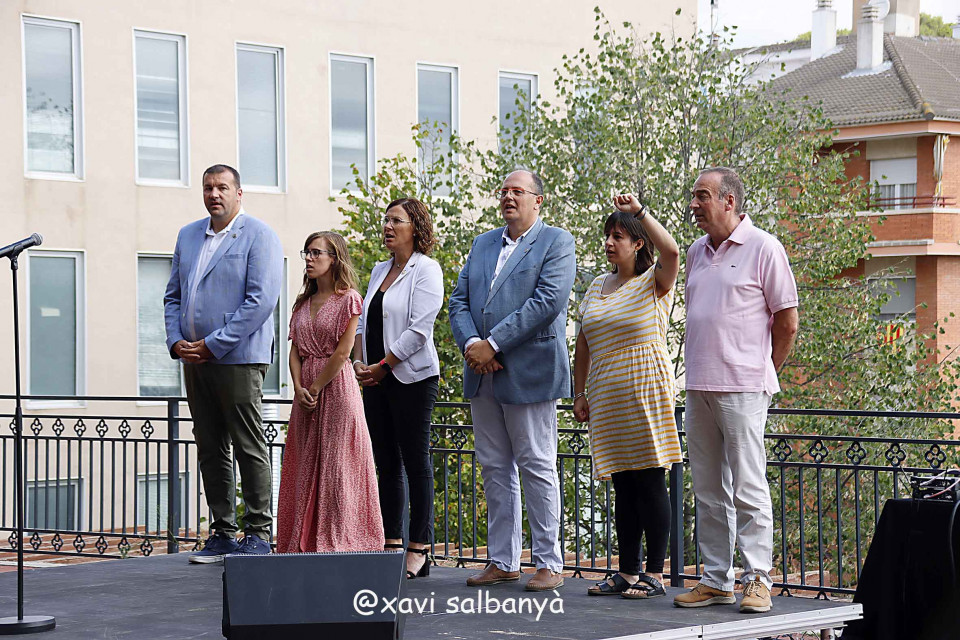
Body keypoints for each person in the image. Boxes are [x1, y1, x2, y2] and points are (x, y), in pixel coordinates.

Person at [674, 167, 799, 614]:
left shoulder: (764, 247)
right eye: (694, 196)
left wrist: (762, 370)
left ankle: (758, 578)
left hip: (743, 387)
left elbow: (787, 322)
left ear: (729, 201)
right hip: (698, 386)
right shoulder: (696, 251)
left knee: (748, 485)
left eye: (702, 196)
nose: (694, 204)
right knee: (708, 490)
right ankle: (715, 580)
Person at [448, 168, 576, 592]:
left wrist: (494, 344)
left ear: (538, 200)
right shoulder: (483, 243)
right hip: (481, 371)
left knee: (537, 464)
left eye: (517, 191)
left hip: (529, 371)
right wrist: (473, 344)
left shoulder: (556, 241)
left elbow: (547, 302)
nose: (508, 197)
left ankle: (549, 562)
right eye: (503, 191)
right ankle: (503, 560)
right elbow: (459, 301)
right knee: (494, 466)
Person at [164, 164, 283, 563]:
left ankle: (259, 534)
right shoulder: (188, 235)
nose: (214, 194)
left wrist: (214, 345)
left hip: (238, 359)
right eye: (208, 187)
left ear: (239, 193)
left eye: (222, 187)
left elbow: (260, 302)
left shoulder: (260, 235)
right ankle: (223, 533)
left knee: (248, 444)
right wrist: (176, 341)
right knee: (209, 444)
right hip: (193, 359)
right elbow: (173, 296)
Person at [573, 194, 683, 599]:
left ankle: (655, 574)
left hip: (645, 391)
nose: (608, 242)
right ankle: (628, 571)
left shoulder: (654, 281)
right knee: (623, 483)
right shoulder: (595, 287)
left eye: (617, 236)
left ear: (637, 243)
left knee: (651, 480)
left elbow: (672, 251)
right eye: (607, 236)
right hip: (606, 396)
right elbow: (583, 342)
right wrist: (579, 392)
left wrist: (640, 213)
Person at [276, 232, 384, 553]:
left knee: (338, 467)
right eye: (306, 253)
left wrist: (315, 387)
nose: (309, 259)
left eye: (316, 253)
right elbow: (295, 352)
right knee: (304, 464)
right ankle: (304, 541)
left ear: (334, 258)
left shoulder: (349, 299)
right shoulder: (302, 303)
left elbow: (343, 353)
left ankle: (343, 540)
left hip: (336, 389)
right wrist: (299, 389)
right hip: (305, 395)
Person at [353, 198, 443, 579]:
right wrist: (360, 363)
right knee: (386, 462)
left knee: (416, 461)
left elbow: (419, 330)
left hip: (412, 379)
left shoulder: (427, 269)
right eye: (386, 220)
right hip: (374, 378)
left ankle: (419, 547)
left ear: (415, 227)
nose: (388, 226)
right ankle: (392, 543)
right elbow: (362, 323)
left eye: (396, 220)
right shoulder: (379, 269)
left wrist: (384, 366)